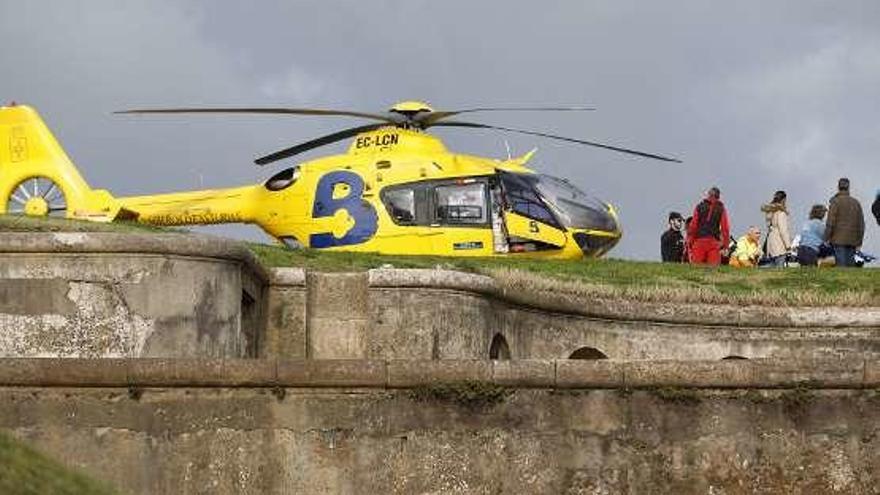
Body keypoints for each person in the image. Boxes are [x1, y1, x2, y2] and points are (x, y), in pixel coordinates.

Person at [824, 177, 865, 267]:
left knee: (841, 269)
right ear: (848, 187)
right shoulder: (856, 203)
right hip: (853, 241)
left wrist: (826, 238)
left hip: (838, 240)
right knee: (850, 269)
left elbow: (830, 222)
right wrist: (859, 241)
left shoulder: (835, 201)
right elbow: (861, 225)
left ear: (838, 187)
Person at [687, 186, 730, 266]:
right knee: (713, 271)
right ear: (718, 197)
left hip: (699, 242)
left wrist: (690, 242)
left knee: (696, 269)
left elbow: (693, 226)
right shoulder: (721, 208)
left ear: (708, 195)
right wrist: (726, 246)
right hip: (713, 243)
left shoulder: (699, 207)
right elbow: (725, 229)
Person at [761, 190, 792, 266]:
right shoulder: (781, 213)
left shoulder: (770, 212)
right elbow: (783, 231)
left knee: (772, 267)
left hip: (770, 243)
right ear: (784, 200)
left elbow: (769, 227)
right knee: (779, 269)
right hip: (779, 244)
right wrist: (788, 246)